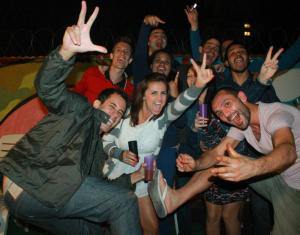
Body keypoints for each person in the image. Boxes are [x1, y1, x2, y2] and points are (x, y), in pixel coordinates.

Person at [0, 2, 142, 235]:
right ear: (96, 103)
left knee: (91, 230)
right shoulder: (80, 110)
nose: (115, 115)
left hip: (33, 203)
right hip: (29, 183)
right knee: (123, 202)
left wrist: (134, 177)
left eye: (120, 113)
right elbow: (47, 87)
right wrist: (66, 52)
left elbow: (100, 189)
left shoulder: (96, 152)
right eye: (112, 106)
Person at [148, 47, 300, 235]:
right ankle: (175, 199)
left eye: (227, 104)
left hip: (295, 187)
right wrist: (196, 163)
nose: (226, 115)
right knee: (220, 164)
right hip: (277, 174)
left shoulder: (275, 115)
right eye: (219, 113)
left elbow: (288, 151)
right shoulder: (240, 124)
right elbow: (216, 152)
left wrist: (252, 167)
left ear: (243, 97)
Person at [102, 55, 214, 235]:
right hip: (115, 178)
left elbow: (180, 104)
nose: (160, 99)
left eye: (163, 93)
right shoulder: (124, 115)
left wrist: (198, 85)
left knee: (152, 228)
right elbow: (105, 141)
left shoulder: (162, 120)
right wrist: (119, 154)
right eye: (154, 93)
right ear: (143, 95)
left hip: (141, 179)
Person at [74, 36, 134, 103]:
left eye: (126, 52)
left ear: (130, 60)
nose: (122, 53)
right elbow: (74, 97)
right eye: (118, 50)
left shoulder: (130, 89)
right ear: (111, 56)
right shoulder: (92, 73)